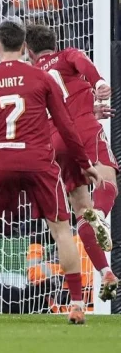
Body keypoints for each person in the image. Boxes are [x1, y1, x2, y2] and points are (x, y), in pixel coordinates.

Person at [0, 21, 100, 326]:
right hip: (40, 162)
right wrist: (84, 162)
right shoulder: (42, 77)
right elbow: (66, 127)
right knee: (61, 229)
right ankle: (76, 303)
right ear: (25, 48)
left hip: (2, 161)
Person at [26, 23, 118, 301]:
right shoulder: (68, 55)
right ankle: (100, 216)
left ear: (29, 51)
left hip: (55, 141)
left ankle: (106, 273)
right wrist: (100, 83)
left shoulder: (31, 75)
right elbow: (83, 63)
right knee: (108, 181)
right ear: (54, 42)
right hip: (84, 129)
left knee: (80, 209)